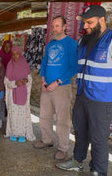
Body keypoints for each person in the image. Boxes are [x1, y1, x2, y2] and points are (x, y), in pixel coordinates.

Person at [57, 5, 112, 176]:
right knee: (80, 131)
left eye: (89, 22)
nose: (85, 26)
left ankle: (99, 171)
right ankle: (77, 161)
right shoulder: (83, 41)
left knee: (98, 138)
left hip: (103, 99)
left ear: (102, 20)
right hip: (83, 95)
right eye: (84, 23)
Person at [34, 16, 78, 160]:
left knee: (63, 119)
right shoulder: (50, 44)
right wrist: (42, 80)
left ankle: (63, 148)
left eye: (57, 26)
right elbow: (45, 62)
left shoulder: (71, 44)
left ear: (65, 27)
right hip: (46, 86)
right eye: (53, 26)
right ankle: (47, 140)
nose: (54, 29)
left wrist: (57, 82)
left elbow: (74, 67)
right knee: (44, 116)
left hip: (61, 87)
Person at [4, 46, 35, 143]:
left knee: (22, 114)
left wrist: (26, 80)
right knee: (13, 114)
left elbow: (30, 79)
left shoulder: (25, 65)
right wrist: (15, 83)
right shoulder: (10, 65)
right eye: (13, 54)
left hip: (23, 94)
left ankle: (22, 134)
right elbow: (6, 82)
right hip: (13, 94)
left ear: (20, 54)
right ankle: (13, 133)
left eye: (17, 54)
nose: (15, 56)